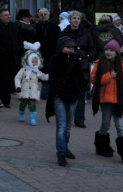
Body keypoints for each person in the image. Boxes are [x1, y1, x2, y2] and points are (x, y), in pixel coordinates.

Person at [91, 40, 123, 164]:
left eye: (111, 50)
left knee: (120, 126)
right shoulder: (99, 64)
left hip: (119, 102)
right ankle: (101, 146)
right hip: (105, 100)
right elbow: (94, 79)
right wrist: (109, 76)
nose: (108, 52)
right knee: (105, 124)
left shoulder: (122, 66)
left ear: (116, 53)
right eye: (107, 50)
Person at [46, 36, 83, 166]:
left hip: (73, 98)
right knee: (61, 126)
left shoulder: (76, 61)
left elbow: (81, 79)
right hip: (59, 97)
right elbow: (54, 80)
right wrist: (63, 93)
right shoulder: (55, 60)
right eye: (68, 47)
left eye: (72, 47)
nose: (71, 50)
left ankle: (65, 147)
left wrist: (76, 94)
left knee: (68, 127)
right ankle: (61, 153)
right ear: (61, 47)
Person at [63, 11, 95, 128]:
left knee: (81, 94)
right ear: (70, 20)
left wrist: (88, 57)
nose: (76, 20)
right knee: (69, 92)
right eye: (74, 18)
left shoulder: (86, 33)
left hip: (82, 66)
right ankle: (67, 116)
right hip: (69, 66)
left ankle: (79, 119)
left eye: (78, 19)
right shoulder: (65, 33)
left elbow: (92, 47)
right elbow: (60, 47)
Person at [0, 8, 22, 109]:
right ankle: (5, 100)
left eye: (9, 14)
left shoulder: (14, 26)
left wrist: (20, 52)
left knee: (13, 78)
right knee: (4, 79)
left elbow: (19, 39)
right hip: (3, 59)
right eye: (6, 15)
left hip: (15, 57)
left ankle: (12, 92)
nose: (8, 16)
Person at [15, 49, 48, 125]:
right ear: (28, 61)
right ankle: (21, 113)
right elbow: (17, 78)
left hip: (33, 92)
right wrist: (18, 86)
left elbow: (43, 77)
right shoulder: (23, 70)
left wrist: (51, 75)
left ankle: (33, 118)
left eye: (36, 62)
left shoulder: (37, 71)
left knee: (32, 105)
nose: (34, 63)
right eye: (32, 61)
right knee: (22, 104)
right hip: (24, 91)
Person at [35, 8, 60, 99]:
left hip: (51, 52)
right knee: (42, 72)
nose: (43, 16)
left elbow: (58, 39)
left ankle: (47, 91)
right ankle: (44, 91)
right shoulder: (36, 26)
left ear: (48, 15)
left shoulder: (54, 26)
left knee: (50, 71)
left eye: (45, 14)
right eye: (41, 14)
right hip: (40, 53)